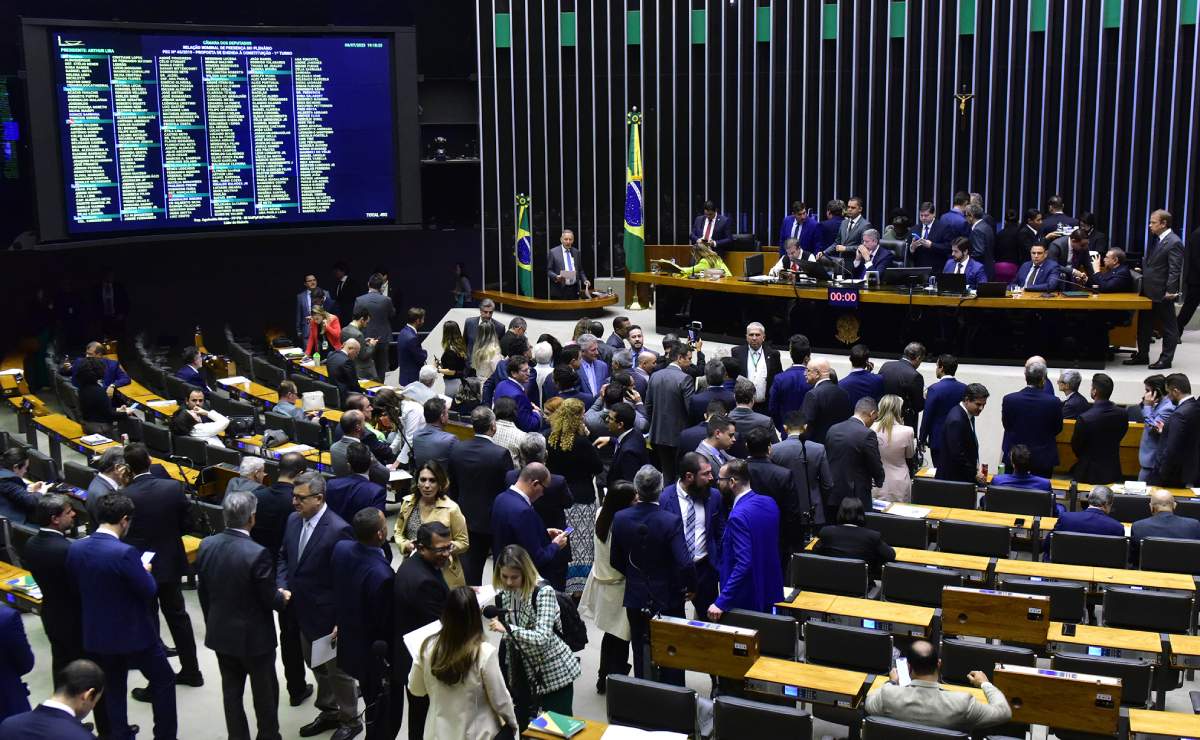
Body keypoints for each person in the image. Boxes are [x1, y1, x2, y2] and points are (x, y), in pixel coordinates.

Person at [67, 493, 177, 740]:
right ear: (125, 520)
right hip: (134, 634)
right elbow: (148, 591)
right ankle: (165, 736)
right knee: (164, 681)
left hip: (98, 634)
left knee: (114, 688)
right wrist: (145, 571)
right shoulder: (125, 553)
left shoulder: (76, 548)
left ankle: (120, 735)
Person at [276, 472, 360, 740]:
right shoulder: (293, 520)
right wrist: (282, 584)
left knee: (339, 672)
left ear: (319, 498)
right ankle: (329, 710)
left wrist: (342, 619)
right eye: (293, 496)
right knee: (316, 666)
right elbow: (283, 557)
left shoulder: (338, 529)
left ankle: (350, 719)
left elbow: (349, 580)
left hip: (329, 615)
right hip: (301, 612)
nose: (294, 502)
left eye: (300, 498)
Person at [195, 491, 286, 740]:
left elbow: (203, 592)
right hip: (255, 640)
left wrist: (211, 622)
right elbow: (270, 599)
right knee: (264, 694)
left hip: (221, 633)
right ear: (252, 518)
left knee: (231, 694)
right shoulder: (257, 553)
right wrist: (283, 597)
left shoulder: (206, 545)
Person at [120, 443, 203, 692]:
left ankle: (157, 683)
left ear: (128, 467)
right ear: (149, 460)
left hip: (140, 567)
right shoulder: (172, 487)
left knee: (149, 621)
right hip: (169, 562)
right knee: (179, 617)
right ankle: (192, 671)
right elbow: (187, 523)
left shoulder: (125, 495)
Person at [609, 466, 694, 684]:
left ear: (636, 490)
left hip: (636, 596)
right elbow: (684, 562)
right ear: (660, 488)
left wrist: (634, 577)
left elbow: (615, 560)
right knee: (672, 650)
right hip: (668, 596)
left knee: (639, 649)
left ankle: (645, 698)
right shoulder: (670, 520)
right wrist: (689, 587)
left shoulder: (620, 518)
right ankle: (675, 697)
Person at [489, 544, 581, 726]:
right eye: (504, 576)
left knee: (558, 728)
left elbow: (542, 637)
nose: (508, 582)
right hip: (522, 675)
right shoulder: (504, 594)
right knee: (526, 728)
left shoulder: (543, 592)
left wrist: (508, 629)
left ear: (525, 572)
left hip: (552, 673)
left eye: (514, 577)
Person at [410, 587, 519, 740]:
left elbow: (416, 689)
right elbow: (500, 700)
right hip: (477, 734)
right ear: (475, 616)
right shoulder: (484, 653)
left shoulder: (426, 647)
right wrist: (512, 725)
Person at [252, 452, 313, 707]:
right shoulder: (298, 505)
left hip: (268, 576)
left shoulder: (258, 496)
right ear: (299, 474)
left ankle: (295, 688)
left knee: (286, 636)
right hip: (298, 575)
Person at [331, 509, 394, 740]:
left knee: (369, 697)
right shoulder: (382, 575)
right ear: (380, 534)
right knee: (379, 709)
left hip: (350, 640)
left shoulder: (341, 549)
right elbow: (384, 623)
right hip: (373, 654)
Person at [864, 639, 1012, 732]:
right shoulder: (963, 703)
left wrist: (892, 682)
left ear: (908, 668)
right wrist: (985, 684)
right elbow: (1004, 712)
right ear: (939, 664)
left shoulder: (888, 695)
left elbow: (869, 702)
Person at [392, 522, 453, 739]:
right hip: (421, 660)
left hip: (407, 650)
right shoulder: (424, 581)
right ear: (421, 547)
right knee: (423, 716)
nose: (446, 554)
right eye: (440, 550)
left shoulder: (412, 565)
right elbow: (444, 624)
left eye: (449, 547)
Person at [23, 496, 89, 688]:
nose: (74, 514)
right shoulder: (68, 550)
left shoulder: (31, 543)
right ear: (55, 519)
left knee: (61, 665)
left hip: (51, 614)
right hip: (75, 619)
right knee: (83, 672)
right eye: (69, 512)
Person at [449, 406, 516, 585]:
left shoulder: (457, 449)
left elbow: (453, 486)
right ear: (493, 426)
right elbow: (508, 488)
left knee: (471, 569)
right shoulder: (500, 454)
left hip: (465, 517)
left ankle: (473, 607)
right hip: (494, 519)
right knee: (501, 567)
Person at [709, 458, 783, 618]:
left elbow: (744, 562)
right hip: (768, 589)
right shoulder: (769, 503)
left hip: (744, 597)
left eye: (720, 479)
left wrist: (721, 601)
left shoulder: (737, 516)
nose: (717, 483)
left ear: (732, 482)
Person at [580, 481, 636, 694]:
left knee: (610, 636)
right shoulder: (622, 526)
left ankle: (603, 678)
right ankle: (616, 682)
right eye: (634, 499)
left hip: (603, 584)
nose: (637, 501)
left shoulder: (602, 513)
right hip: (619, 585)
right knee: (621, 638)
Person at [546, 400, 604, 592]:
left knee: (565, 539)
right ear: (578, 416)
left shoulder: (551, 438)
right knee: (583, 543)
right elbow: (597, 467)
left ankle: (564, 583)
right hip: (583, 496)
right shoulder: (582, 443)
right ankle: (580, 587)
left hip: (559, 496)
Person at [660, 452, 724, 620]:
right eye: (706, 474)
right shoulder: (665, 499)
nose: (711, 477)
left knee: (710, 622)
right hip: (675, 571)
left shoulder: (714, 496)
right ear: (689, 476)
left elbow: (720, 533)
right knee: (673, 623)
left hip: (704, 570)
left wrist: (717, 563)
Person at [491, 462, 570, 585]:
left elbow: (513, 534)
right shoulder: (523, 511)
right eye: (544, 488)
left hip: (503, 575)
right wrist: (555, 545)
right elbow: (537, 558)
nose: (543, 493)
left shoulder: (500, 499)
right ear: (535, 484)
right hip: (521, 582)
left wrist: (542, 532)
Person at [394, 461, 469, 588]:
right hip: (413, 568)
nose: (427, 485)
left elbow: (463, 542)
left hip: (442, 571)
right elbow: (398, 532)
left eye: (432, 480)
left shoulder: (451, 509)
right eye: (423, 480)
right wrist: (405, 545)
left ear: (440, 483)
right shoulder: (408, 504)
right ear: (417, 482)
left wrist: (441, 549)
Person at [1126, 209, 1185, 369]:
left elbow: (1175, 270)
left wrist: (1170, 291)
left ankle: (1166, 360)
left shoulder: (1174, 242)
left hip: (1162, 292)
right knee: (1144, 325)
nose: (1150, 225)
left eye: (1153, 222)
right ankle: (1142, 355)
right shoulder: (1160, 240)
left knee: (1168, 327)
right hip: (1149, 291)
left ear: (1164, 223)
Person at [0, 659, 105, 739]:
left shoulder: (8, 726)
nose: (93, 706)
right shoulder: (81, 737)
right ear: (88, 695)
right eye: (95, 701)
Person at [824, 397, 885, 518]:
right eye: (875, 417)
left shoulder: (833, 429)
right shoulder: (867, 434)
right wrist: (879, 479)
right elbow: (874, 463)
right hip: (856, 495)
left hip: (833, 491)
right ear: (872, 413)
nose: (874, 421)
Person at [771, 411, 834, 528]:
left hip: (784, 510)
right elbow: (828, 484)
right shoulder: (818, 449)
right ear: (805, 427)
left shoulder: (774, 450)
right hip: (814, 510)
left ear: (785, 428)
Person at [1000, 360, 1063, 477]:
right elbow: (1057, 429)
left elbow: (1007, 426)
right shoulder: (1054, 402)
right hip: (1043, 458)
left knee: (1011, 492)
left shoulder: (1010, 399)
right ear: (1043, 379)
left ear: (1026, 377)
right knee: (1041, 492)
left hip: (1016, 457)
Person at [645, 342, 696, 480]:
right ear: (680, 358)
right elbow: (690, 409)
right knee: (682, 475)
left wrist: (655, 425)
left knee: (667, 473)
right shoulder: (685, 378)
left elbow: (648, 406)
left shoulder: (655, 375)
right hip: (679, 435)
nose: (691, 363)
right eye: (689, 359)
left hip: (658, 434)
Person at [1070, 373, 1128, 484]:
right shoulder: (1123, 413)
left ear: (1094, 391)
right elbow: (1121, 434)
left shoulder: (1085, 418)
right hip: (1112, 469)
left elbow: (1076, 446)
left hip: (1089, 471)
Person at [816, 497, 896, 574]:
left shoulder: (826, 531)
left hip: (830, 581)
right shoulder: (872, 536)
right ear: (862, 514)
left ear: (840, 512)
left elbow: (816, 550)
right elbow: (890, 555)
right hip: (861, 584)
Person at [1044, 486, 1123, 559]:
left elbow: (1048, 544)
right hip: (1101, 568)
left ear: (1088, 499)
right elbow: (1119, 555)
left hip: (1067, 563)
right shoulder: (1117, 527)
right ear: (1107, 504)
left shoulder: (1066, 518)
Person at [1150, 373, 1200, 487]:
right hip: (1191, 471)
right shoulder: (1196, 406)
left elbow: (1172, 448)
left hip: (1173, 476)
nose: (1167, 397)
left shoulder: (1180, 414)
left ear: (1176, 391)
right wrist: (1167, 431)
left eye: (1168, 393)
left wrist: (1162, 473)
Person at [936, 383, 990, 484]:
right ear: (966, 400)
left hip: (959, 478)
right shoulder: (956, 420)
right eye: (978, 404)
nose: (981, 408)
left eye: (984, 405)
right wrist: (974, 473)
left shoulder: (967, 414)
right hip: (953, 481)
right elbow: (957, 454)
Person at [919, 354, 966, 468]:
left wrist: (922, 439)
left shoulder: (934, 389)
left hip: (938, 438)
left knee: (940, 474)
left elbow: (927, 416)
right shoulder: (964, 388)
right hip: (960, 438)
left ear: (941, 368)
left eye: (936, 366)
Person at [1130, 490, 1200, 563]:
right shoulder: (1194, 525)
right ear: (1175, 505)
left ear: (1151, 507)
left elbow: (1133, 559)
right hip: (1186, 572)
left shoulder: (1138, 526)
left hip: (1148, 572)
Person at [325, 442, 388, 523]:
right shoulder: (377, 492)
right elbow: (378, 525)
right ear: (370, 463)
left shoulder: (331, 484)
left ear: (348, 466)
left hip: (336, 534)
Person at [871, 394, 917, 502]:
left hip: (875, 480)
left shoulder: (870, 428)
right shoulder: (907, 431)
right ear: (899, 410)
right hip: (899, 480)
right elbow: (909, 455)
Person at [330, 410, 392, 486]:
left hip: (342, 490)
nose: (365, 425)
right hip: (364, 492)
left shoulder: (333, 448)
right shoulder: (363, 452)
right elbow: (385, 475)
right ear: (358, 427)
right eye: (364, 422)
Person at [354, 273, 396, 382]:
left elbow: (355, 316)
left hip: (365, 338)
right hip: (382, 338)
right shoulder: (387, 300)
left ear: (368, 284)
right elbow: (392, 314)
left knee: (365, 367)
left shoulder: (360, 300)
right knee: (381, 369)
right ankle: (380, 393)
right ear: (381, 286)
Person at [800, 357, 852, 446]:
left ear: (817, 373)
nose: (805, 373)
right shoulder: (844, 393)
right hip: (839, 447)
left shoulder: (813, 395)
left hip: (817, 450)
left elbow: (804, 426)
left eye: (808, 370)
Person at [731, 322, 782, 412]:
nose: (754, 338)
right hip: (743, 406)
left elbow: (778, 378)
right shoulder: (737, 352)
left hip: (765, 407)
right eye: (751, 335)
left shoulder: (773, 354)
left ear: (763, 337)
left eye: (757, 335)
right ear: (746, 337)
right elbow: (733, 377)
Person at [75, 356, 131, 436]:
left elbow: (98, 409)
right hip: (101, 429)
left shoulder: (82, 388)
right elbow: (109, 415)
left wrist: (118, 409)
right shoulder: (99, 391)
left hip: (87, 426)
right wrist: (125, 413)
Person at [878, 342, 926, 431]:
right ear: (918, 358)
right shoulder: (915, 376)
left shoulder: (886, 366)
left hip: (882, 418)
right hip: (903, 423)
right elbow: (918, 406)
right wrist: (925, 397)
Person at [603, 402, 650, 492]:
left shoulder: (628, 452)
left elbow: (629, 487)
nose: (606, 420)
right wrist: (611, 440)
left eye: (610, 419)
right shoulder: (636, 433)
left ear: (620, 425)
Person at [769, 334, 812, 431]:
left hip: (787, 429)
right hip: (809, 431)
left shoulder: (779, 379)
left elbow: (773, 408)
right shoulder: (814, 379)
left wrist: (781, 427)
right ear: (808, 355)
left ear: (791, 353)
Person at [1138, 374, 1175, 481]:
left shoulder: (1168, 408)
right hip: (1148, 462)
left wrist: (1148, 406)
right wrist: (1145, 404)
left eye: (1148, 390)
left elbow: (1153, 428)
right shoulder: (1160, 404)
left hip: (1152, 462)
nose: (1145, 394)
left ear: (1157, 391)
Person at [0, 449, 45, 526]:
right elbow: (31, 502)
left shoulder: (3, 474)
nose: (25, 471)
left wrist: (29, 487)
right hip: (14, 524)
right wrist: (42, 491)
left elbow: (13, 490)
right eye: (25, 468)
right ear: (16, 467)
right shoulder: (6, 481)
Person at [411, 398, 458, 470]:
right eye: (447, 413)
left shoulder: (416, 435)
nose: (448, 416)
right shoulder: (450, 439)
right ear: (442, 417)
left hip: (421, 477)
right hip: (442, 479)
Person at [65, 340, 131, 390]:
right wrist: (66, 368)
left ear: (99, 355)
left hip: (104, 397)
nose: (87, 356)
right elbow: (66, 371)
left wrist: (112, 385)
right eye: (86, 353)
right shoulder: (80, 362)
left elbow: (126, 378)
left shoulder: (112, 365)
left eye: (90, 354)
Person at [824, 196, 871, 262]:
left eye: (853, 208)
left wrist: (846, 248)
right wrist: (824, 252)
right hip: (842, 263)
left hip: (856, 263)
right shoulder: (844, 222)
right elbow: (837, 243)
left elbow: (864, 247)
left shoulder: (865, 225)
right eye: (848, 207)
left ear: (860, 209)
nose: (849, 209)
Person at [339, 308, 380, 382]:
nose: (366, 326)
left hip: (349, 367)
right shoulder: (358, 334)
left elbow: (349, 346)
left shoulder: (343, 330)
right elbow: (363, 355)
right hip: (362, 371)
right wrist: (372, 345)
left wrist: (363, 342)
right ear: (361, 319)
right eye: (366, 323)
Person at [688, 359, 735, 423]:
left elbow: (692, 422)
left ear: (706, 377)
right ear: (725, 376)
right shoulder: (733, 398)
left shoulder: (696, 399)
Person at [547, 229, 590, 299]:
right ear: (561, 240)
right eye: (566, 239)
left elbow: (580, 270)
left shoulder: (576, 252)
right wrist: (556, 276)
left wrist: (585, 280)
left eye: (570, 239)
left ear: (573, 240)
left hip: (574, 289)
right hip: (559, 289)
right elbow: (549, 271)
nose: (568, 242)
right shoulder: (553, 252)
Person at [839, 344, 884, 408]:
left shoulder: (841, 384)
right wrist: (869, 373)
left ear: (850, 359)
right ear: (867, 361)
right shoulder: (878, 379)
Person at [296, 274, 333, 345]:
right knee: (308, 353)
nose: (312, 282)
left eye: (314, 280)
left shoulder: (325, 293)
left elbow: (329, 311)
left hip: (322, 329)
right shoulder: (300, 297)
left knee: (321, 353)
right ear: (305, 283)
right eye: (309, 281)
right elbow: (299, 314)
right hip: (307, 330)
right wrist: (298, 330)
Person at [396, 307, 428, 386]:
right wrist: (425, 352)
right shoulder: (412, 338)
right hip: (412, 379)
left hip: (405, 377)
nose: (423, 321)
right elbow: (421, 357)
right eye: (423, 319)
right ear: (418, 320)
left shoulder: (403, 331)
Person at [303, 293, 342, 360]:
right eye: (314, 319)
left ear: (322, 315)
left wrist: (327, 327)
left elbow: (337, 335)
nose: (315, 321)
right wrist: (307, 353)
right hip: (320, 352)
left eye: (317, 319)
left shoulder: (333, 319)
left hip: (333, 351)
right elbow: (311, 338)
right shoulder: (313, 321)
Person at [964, 202, 996, 279]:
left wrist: (965, 258)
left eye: (965, 215)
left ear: (971, 216)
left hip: (981, 270)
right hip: (989, 267)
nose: (965, 218)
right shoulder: (987, 226)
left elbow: (978, 252)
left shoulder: (977, 230)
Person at [439, 321, 468, 398]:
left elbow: (451, 371)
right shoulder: (460, 346)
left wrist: (437, 370)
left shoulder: (450, 352)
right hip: (460, 382)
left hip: (452, 385)